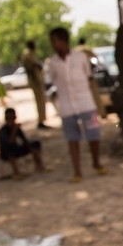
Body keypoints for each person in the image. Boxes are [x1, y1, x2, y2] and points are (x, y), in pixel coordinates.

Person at [47, 27, 107, 183]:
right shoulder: (53, 62)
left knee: (94, 134)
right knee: (72, 139)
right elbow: (52, 80)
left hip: (87, 103)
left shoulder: (81, 57)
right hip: (66, 106)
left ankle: (97, 163)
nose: (53, 45)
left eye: (54, 41)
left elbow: (88, 76)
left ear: (62, 41)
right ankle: (77, 171)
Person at [0, 108, 46, 179]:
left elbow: (25, 140)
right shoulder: (3, 131)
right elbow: (9, 142)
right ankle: (16, 172)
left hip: (15, 149)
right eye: (9, 118)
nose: (11, 120)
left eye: (13, 118)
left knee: (35, 144)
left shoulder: (16, 128)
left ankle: (39, 166)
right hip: (6, 153)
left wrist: (32, 149)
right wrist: (14, 130)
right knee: (9, 149)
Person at [75, 37, 107, 118]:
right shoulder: (86, 49)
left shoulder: (75, 51)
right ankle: (101, 113)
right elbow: (95, 57)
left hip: (78, 77)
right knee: (95, 95)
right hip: (88, 76)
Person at [21, 40, 49, 129]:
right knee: (40, 101)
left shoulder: (31, 53)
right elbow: (30, 66)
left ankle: (42, 120)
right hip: (35, 80)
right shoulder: (27, 53)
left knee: (42, 101)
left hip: (38, 80)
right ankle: (40, 121)